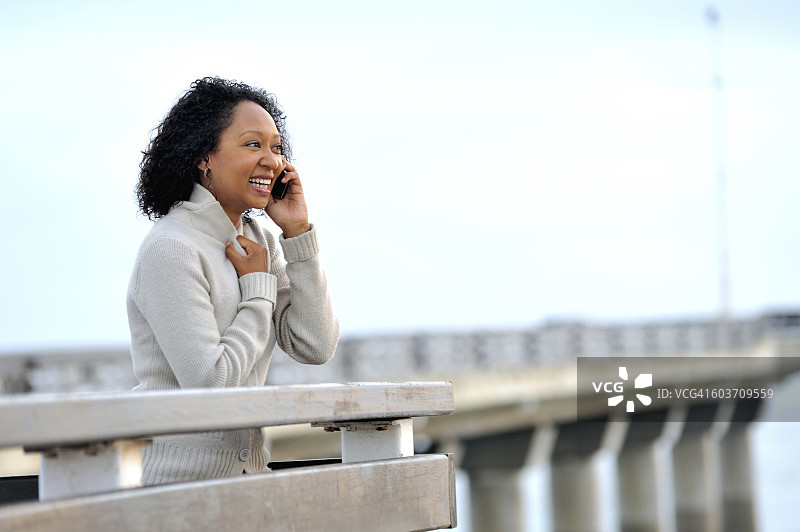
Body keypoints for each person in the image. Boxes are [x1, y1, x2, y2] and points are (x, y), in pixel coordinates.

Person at [127, 77, 339, 485]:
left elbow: (315, 345)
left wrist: (297, 234)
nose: (272, 160)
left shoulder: (259, 240)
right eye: (252, 144)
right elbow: (211, 383)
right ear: (205, 156)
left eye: (277, 147)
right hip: (176, 490)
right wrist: (258, 290)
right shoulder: (171, 248)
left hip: (247, 482)